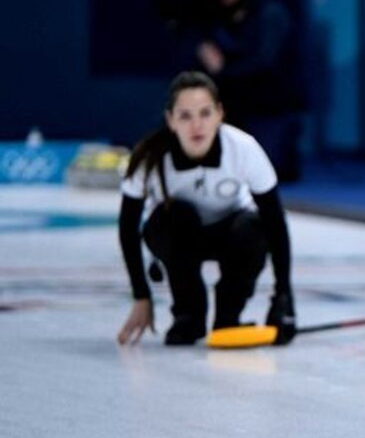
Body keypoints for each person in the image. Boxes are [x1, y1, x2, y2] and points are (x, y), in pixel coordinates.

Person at [116, 70, 296, 347]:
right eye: (185, 116)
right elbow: (128, 228)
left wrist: (283, 297)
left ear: (219, 114)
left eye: (205, 113)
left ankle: (228, 314)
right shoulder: (149, 158)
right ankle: (188, 314)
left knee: (254, 228)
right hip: (181, 236)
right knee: (169, 219)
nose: (196, 125)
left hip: (234, 235)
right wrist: (142, 296)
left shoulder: (244, 148)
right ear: (170, 120)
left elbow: (275, 222)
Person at [189, 0, 305, 182]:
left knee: (263, 173)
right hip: (227, 111)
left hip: (268, 112)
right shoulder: (211, 21)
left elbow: (265, 64)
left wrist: (223, 70)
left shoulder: (271, 15)